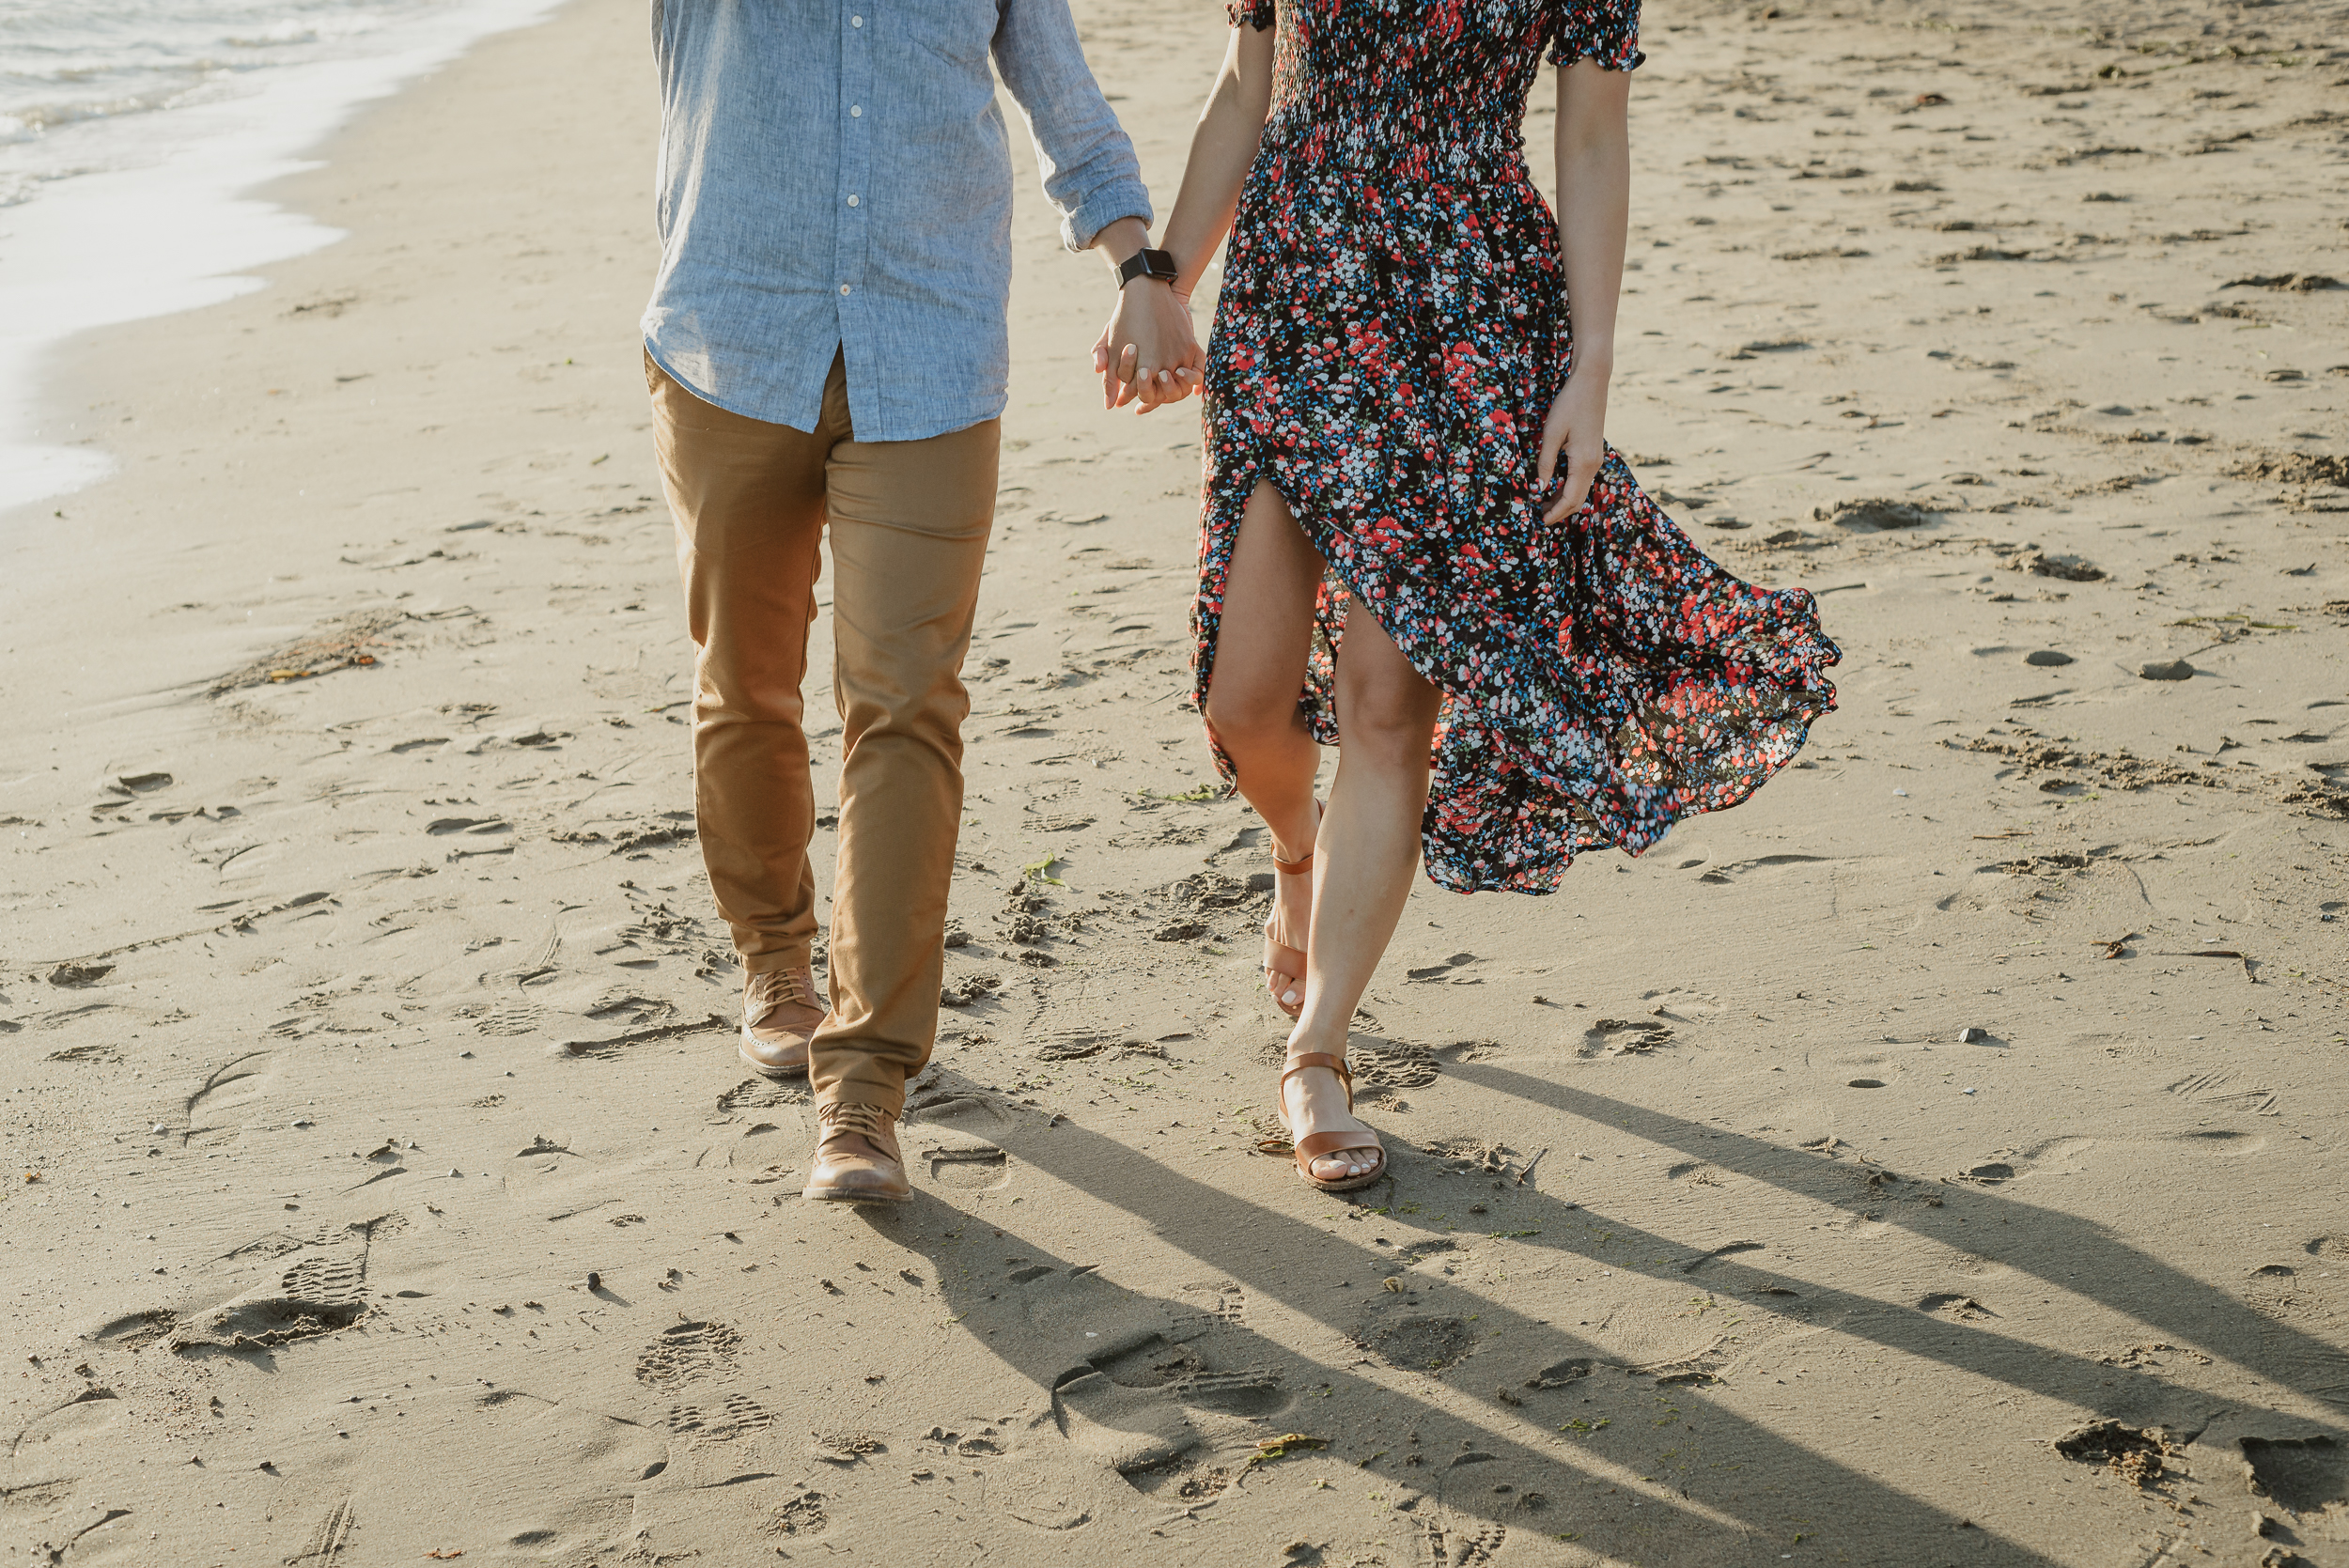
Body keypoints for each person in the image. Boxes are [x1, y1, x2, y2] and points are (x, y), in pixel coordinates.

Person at [1108, 0, 1840, 1191]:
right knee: (1245, 701)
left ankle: (1319, 1051)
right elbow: (1246, 89)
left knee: (1390, 707)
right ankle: (1301, 847)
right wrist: (1160, 282)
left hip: (1468, 311)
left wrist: (1589, 372)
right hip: (1294, 289)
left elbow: (1592, 134)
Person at [642, 0, 1194, 1203]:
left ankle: (865, 1085)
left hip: (929, 359)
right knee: (745, 685)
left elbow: (1063, 98)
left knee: (903, 709)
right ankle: (776, 961)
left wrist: (1141, 267)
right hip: (731, 345)